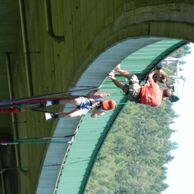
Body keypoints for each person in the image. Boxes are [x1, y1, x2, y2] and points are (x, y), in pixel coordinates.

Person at [108, 64, 173, 107]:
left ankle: (117, 69)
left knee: (132, 76)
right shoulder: (158, 103)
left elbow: (150, 76)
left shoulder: (156, 88)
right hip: (134, 98)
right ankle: (111, 76)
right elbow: (152, 102)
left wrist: (152, 72)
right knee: (122, 87)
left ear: (164, 89)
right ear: (165, 97)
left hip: (138, 90)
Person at [44, 92, 117, 120]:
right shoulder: (101, 97)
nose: (102, 105)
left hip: (86, 109)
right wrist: (96, 97)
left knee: (70, 115)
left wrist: (96, 113)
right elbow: (89, 95)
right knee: (74, 101)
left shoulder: (102, 112)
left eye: (105, 107)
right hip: (87, 101)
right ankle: (52, 102)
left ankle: (52, 115)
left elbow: (92, 116)